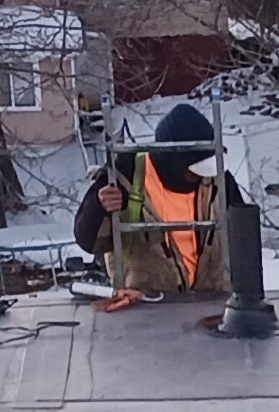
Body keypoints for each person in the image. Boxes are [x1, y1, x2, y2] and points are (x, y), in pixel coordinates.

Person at [71, 101, 218, 308]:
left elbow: (243, 240)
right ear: (174, 161)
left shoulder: (216, 179)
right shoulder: (124, 176)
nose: (202, 175)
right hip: (145, 310)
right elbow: (88, 241)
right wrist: (98, 207)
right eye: (195, 168)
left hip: (212, 305)